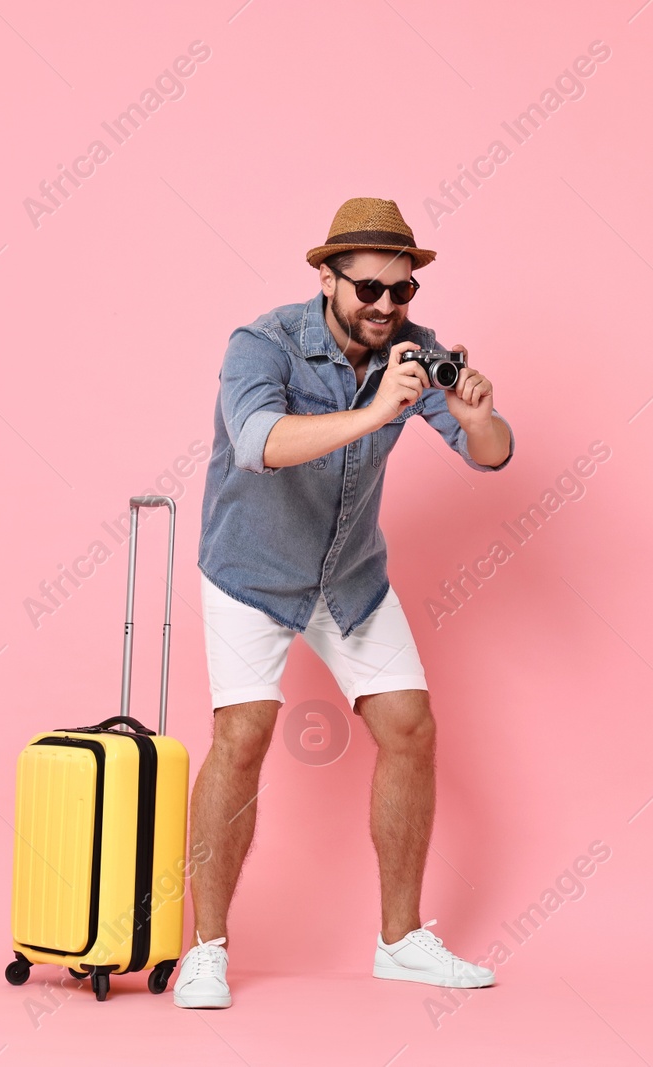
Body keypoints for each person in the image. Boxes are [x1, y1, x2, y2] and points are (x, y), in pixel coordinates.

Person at [174, 197, 514, 1009]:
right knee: (242, 733)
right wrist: (372, 412)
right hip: (250, 571)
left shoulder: (409, 350)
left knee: (410, 725)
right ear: (326, 278)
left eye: (402, 294)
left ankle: (400, 943)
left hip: (347, 574)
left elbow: (493, 457)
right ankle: (206, 949)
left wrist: (477, 419)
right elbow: (257, 443)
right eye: (368, 290)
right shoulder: (261, 344)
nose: (387, 309)